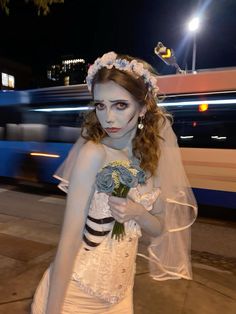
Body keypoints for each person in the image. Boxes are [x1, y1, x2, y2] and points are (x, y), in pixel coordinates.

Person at [31, 51, 197, 314]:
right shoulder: (93, 154)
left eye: (120, 105)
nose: (108, 117)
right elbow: (69, 241)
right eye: (100, 105)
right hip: (76, 293)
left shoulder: (151, 157)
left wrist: (138, 213)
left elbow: (160, 228)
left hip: (121, 295)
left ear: (142, 107)